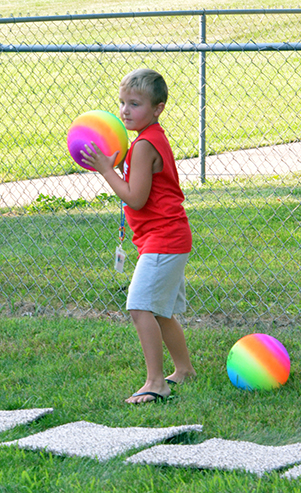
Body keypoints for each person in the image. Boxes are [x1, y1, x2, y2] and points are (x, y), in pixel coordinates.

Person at [81, 68, 196, 404]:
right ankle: (184, 370)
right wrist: (116, 167)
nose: (125, 111)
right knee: (161, 311)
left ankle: (155, 382)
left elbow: (135, 197)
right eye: (122, 103)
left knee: (139, 306)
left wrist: (106, 171)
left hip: (164, 239)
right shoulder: (146, 140)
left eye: (135, 104)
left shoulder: (145, 145)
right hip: (167, 238)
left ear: (158, 108)